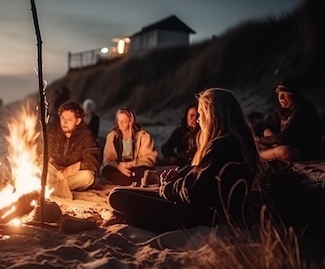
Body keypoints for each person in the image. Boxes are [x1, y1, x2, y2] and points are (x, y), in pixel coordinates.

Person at [107, 88, 260, 232]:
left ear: (212, 115)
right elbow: (203, 175)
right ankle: (132, 217)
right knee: (121, 191)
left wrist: (168, 187)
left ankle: (132, 219)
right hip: (203, 209)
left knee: (117, 197)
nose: (198, 121)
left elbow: (193, 193)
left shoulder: (221, 146)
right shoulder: (239, 141)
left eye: (200, 114)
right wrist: (180, 175)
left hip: (196, 216)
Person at [45, 99, 102, 199]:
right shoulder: (53, 131)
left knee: (88, 177)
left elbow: (92, 160)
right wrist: (54, 166)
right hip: (55, 172)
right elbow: (43, 153)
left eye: (70, 119)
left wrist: (67, 172)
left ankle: (52, 188)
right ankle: (57, 187)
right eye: (63, 118)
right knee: (40, 169)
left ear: (78, 121)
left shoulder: (86, 135)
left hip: (72, 174)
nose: (65, 122)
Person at [255, 77, 321, 162]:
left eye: (284, 93)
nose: (281, 97)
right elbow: (263, 125)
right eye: (279, 93)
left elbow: (284, 137)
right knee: (266, 131)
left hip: (303, 150)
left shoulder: (302, 109)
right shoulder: (283, 111)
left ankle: (260, 153)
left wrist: (260, 140)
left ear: (293, 94)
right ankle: (265, 152)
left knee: (284, 152)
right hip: (285, 143)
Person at [100, 107, 158, 186]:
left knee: (142, 170)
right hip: (120, 167)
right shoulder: (113, 136)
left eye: (124, 121)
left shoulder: (143, 136)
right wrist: (119, 166)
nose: (121, 124)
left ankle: (132, 179)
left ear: (131, 121)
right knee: (107, 170)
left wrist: (133, 163)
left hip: (136, 166)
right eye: (119, 121)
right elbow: (108, 158)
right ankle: (129, 181)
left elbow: (151, 156)